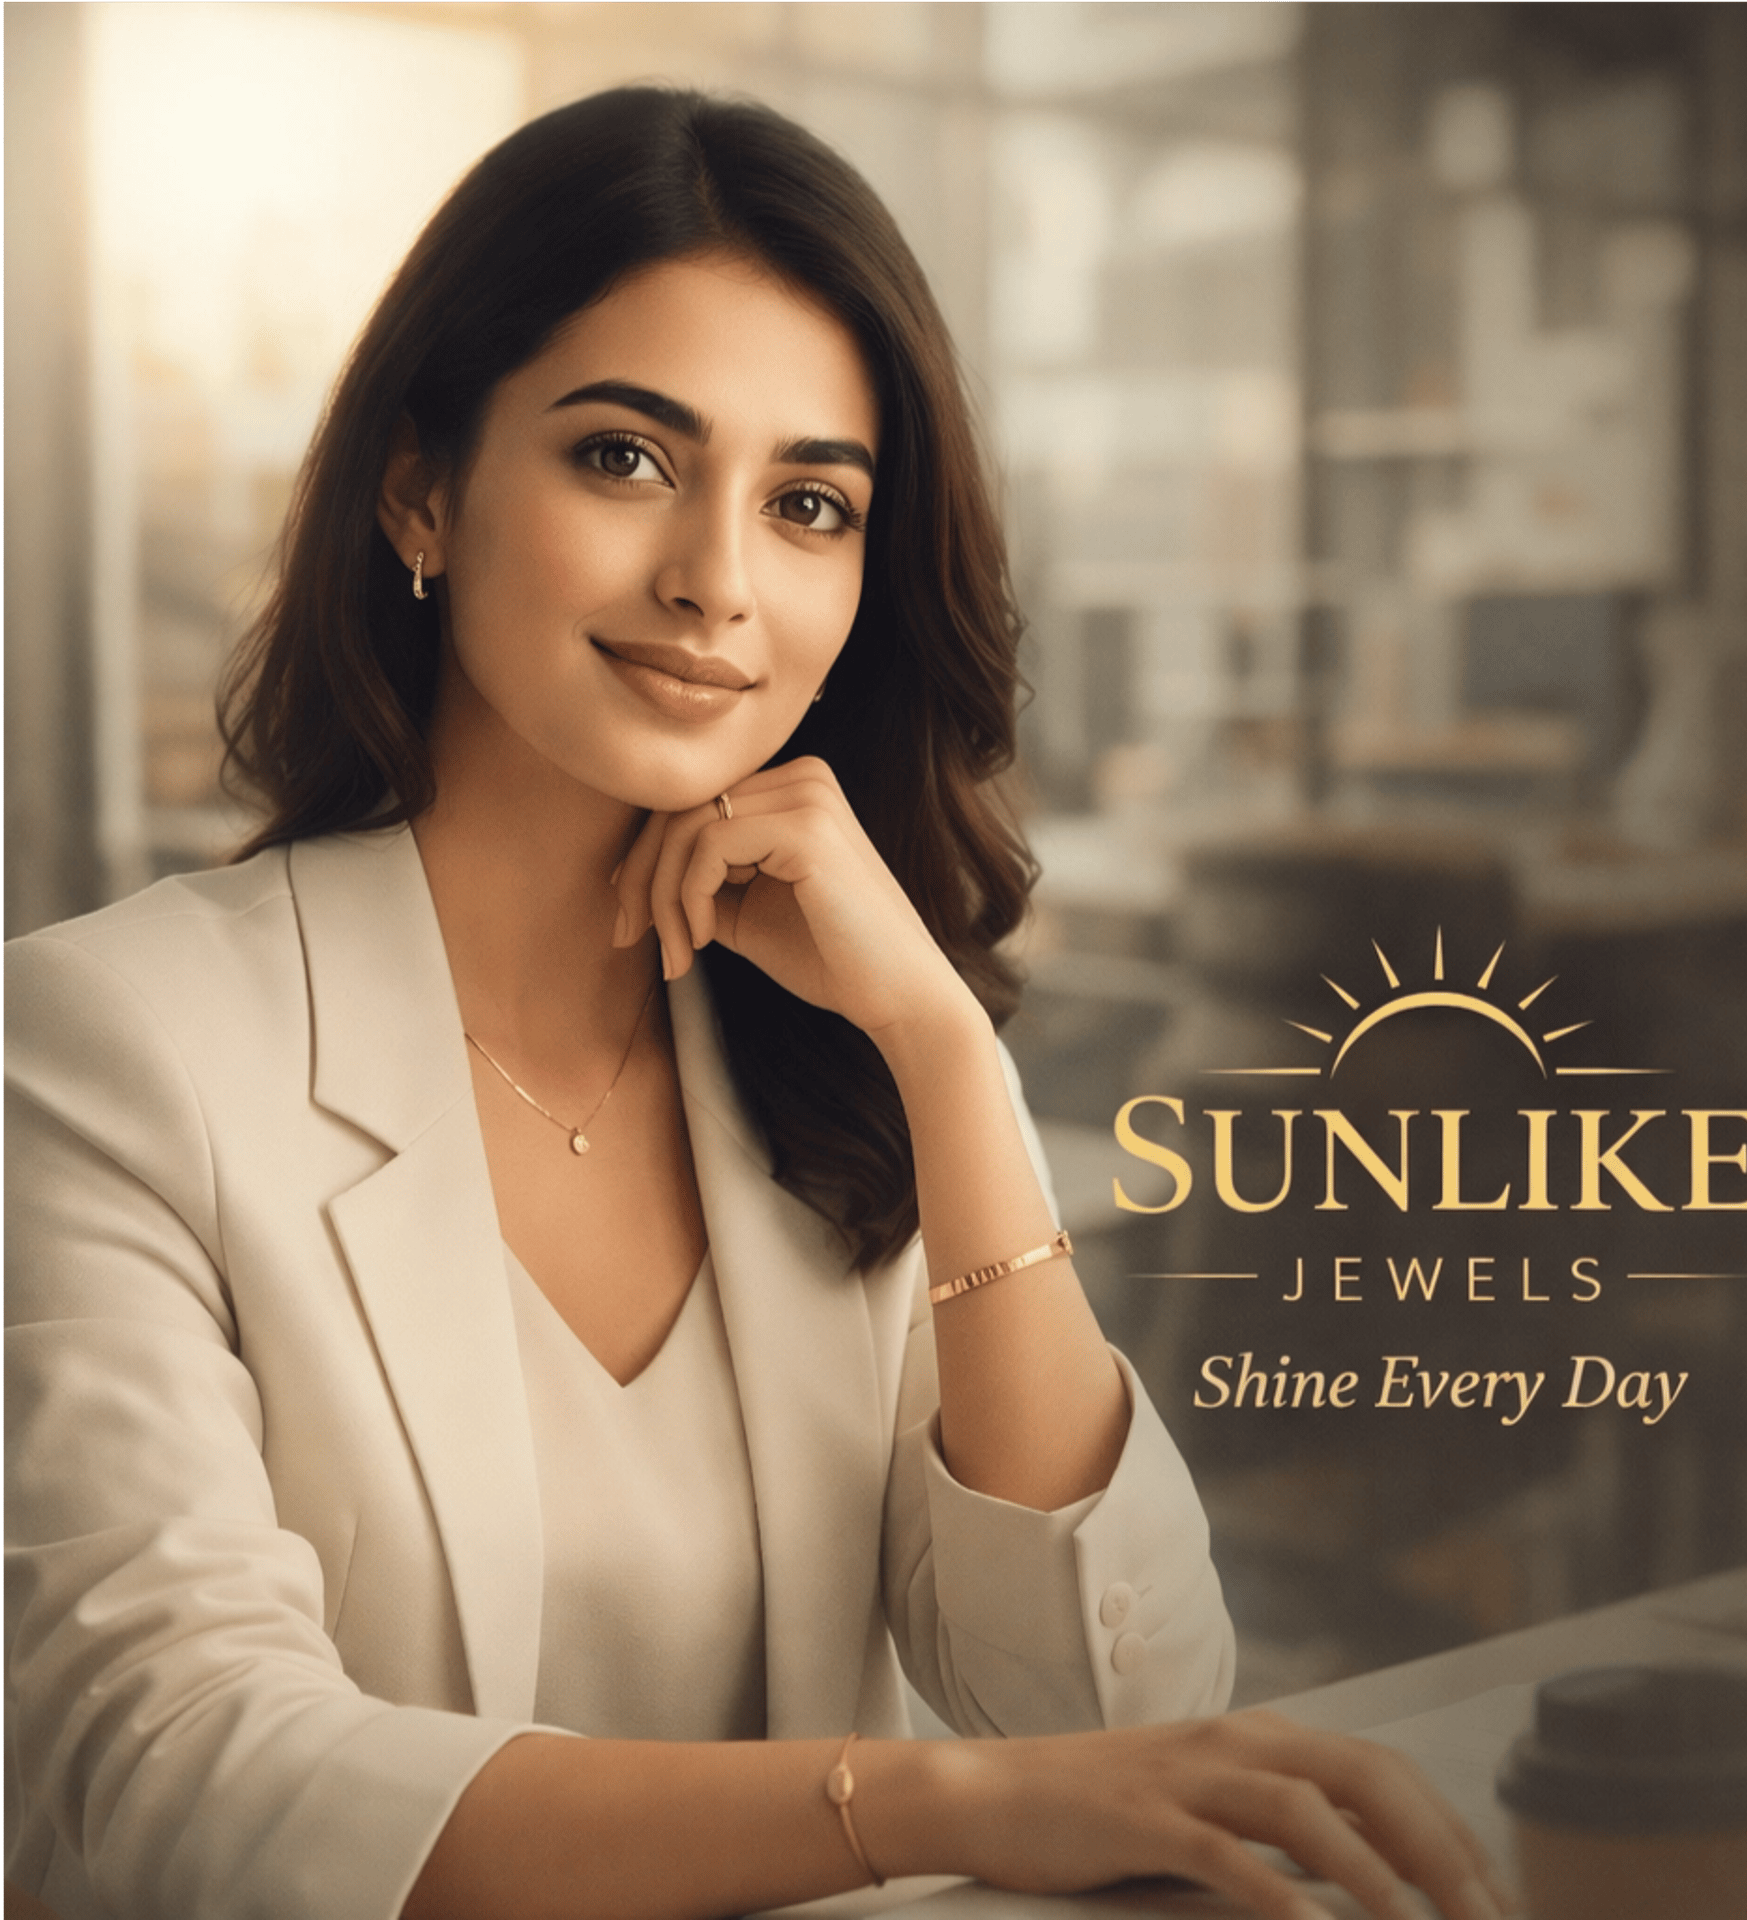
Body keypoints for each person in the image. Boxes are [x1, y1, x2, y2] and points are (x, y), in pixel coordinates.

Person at [3, 87, 1513, 1920]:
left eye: (810, 503)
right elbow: (183, 1767)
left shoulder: (814, 1060)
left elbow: (1114, 1700)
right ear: (422, 486)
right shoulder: (105, 1046)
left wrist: (945, 1056)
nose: (719, 579)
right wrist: (914, 1808)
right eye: (625, 458)